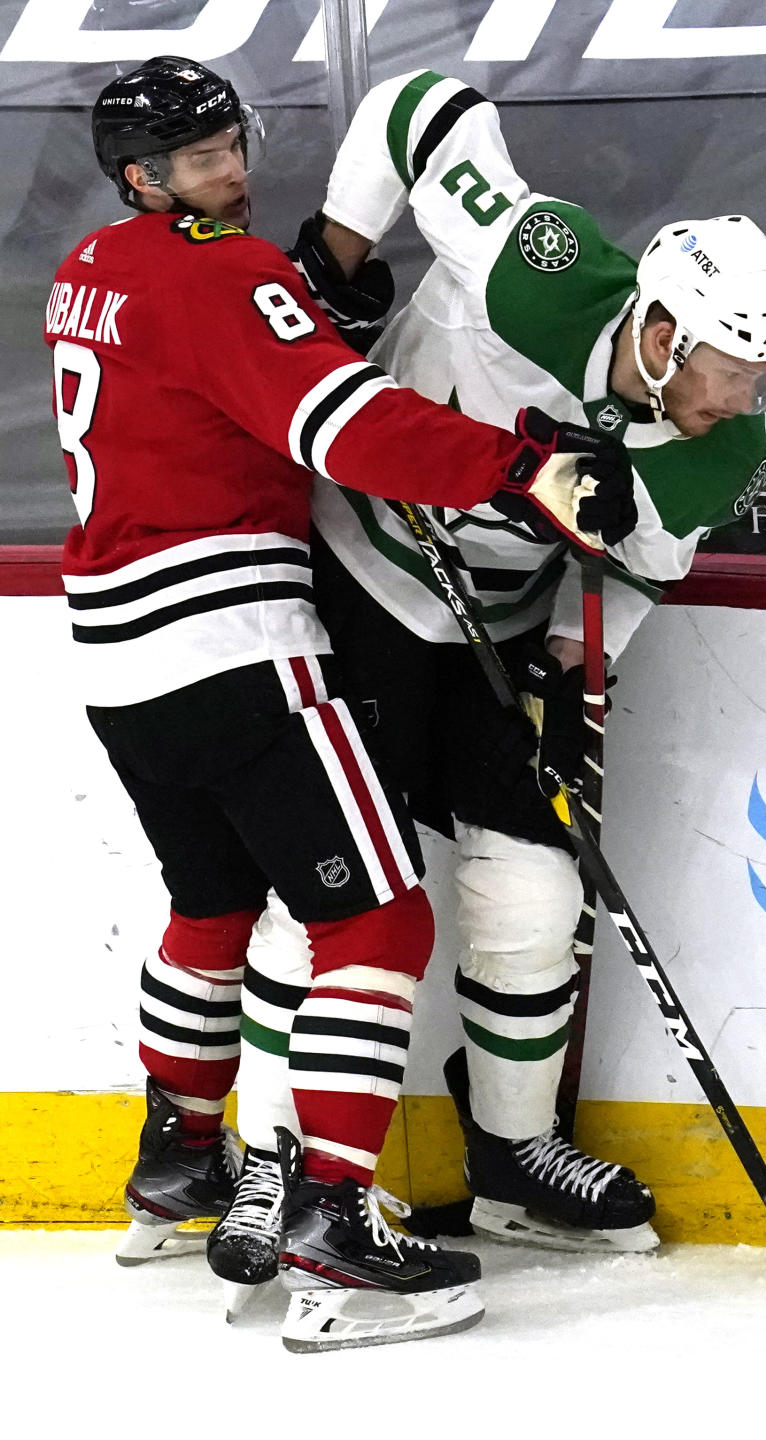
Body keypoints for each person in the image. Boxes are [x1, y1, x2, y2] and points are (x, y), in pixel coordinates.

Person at [44, 55, 640, 1353]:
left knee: (212, 904)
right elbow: (346, 427)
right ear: (147, 177)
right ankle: (333, 1225)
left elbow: (217, 365)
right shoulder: (227, 275)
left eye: (231, 144)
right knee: (379, 924)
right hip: (234, 640)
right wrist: (524, 464)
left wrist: (308, 298)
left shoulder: (93, 269)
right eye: (201, 160)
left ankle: (180, 1162)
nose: (233, 170)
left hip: (114, 658)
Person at [226, 69, 766, 1270]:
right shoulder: (538, 267)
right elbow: (412, 107)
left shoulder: (716, 448)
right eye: (735, 371)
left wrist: (562, 672)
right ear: (661, 331)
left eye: (764, 377)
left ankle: (512, 1159)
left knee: (535, 896)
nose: (750, 403)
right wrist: (335, 258)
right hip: (359, 582)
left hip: (497, 630)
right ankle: (268, 1163)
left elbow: (640, 570)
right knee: (325, 893)